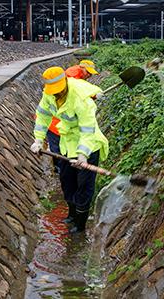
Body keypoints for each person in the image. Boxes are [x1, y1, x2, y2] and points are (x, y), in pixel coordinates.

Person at [31, 66, 108, 233]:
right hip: (66, 145)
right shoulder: (48, 94)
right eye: (53, 92)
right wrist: (38, 139)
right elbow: (43, 116)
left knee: (84, 186)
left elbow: (88, 129)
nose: (56, 94)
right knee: (67, 182)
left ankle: (80, 225)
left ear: (65, 82)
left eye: (59, 91)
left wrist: (82, 154)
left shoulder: (80, 99)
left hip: (88, 146)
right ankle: (72, 214)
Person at [46, 59, 100, 173]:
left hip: (60, 121)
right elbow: (76, 91)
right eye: (88, 72)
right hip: (55, 122)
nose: (89, 75)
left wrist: (91, 96)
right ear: (83, 68)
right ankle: (59, 169)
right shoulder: (73, 73)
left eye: (91, 73)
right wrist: (92, 94)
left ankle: (63, 168)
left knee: (61, 147)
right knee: (58, 149)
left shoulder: (77, 76)